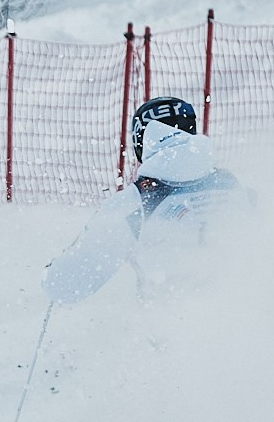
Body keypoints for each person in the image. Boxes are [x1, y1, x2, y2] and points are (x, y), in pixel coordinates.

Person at [43, 96, 246, 305]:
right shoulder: (234, 184)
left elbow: (68, 285)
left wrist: (54, 275)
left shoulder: (135, 202)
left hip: (168, 328)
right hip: (237, 318)